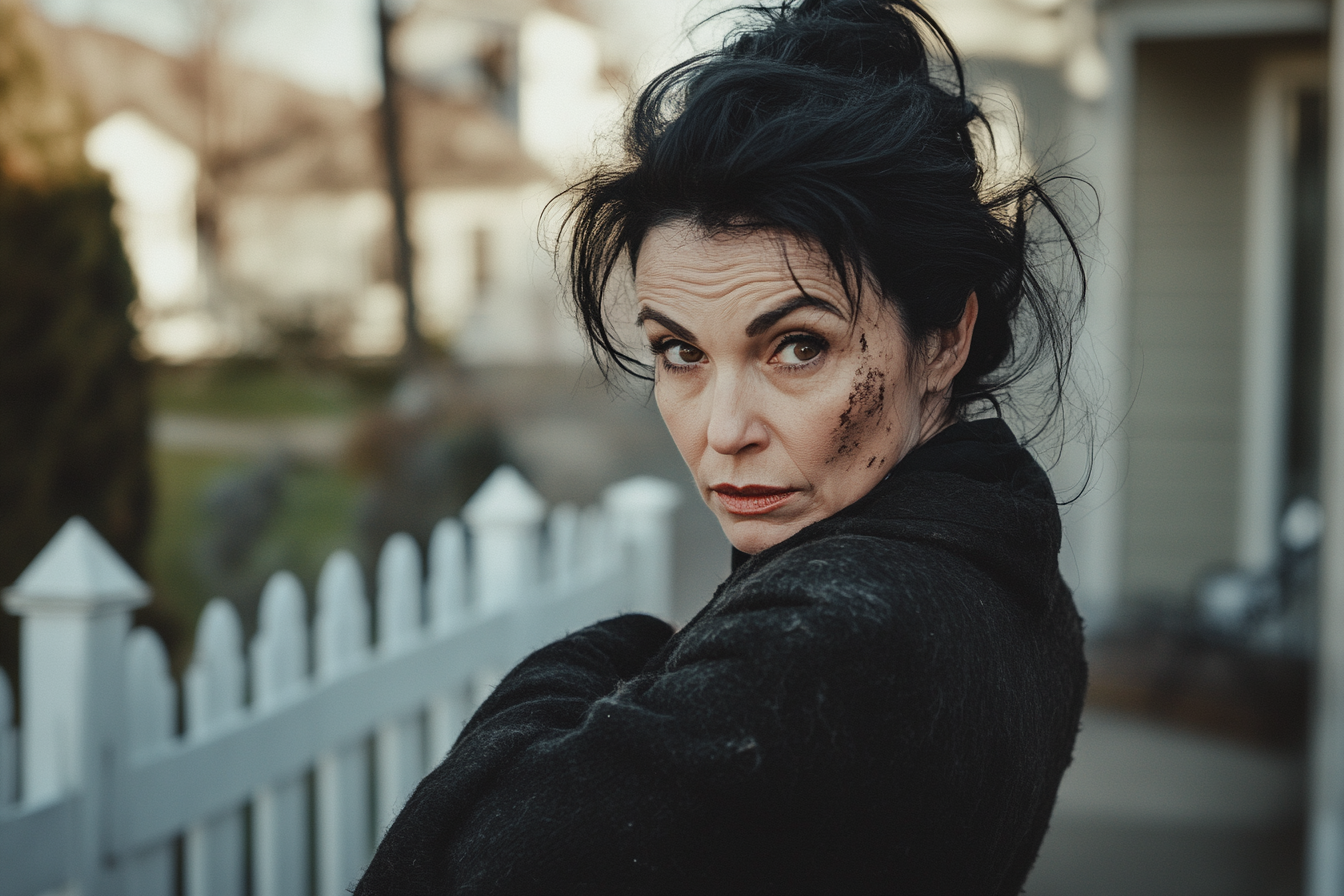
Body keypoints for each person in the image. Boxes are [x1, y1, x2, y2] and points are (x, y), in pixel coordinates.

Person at [355, 1, 1088, 892]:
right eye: (680, 352)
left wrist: (605, 656)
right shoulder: (1010, 572)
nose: (722, 430)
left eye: (797, 347)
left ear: (943, 339)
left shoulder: (835, 643)